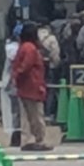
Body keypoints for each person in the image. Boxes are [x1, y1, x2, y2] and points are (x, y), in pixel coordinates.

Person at [11, 23, 50, 152]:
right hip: (33, 85)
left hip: (24, 86)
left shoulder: (23, 47)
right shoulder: (31, 48)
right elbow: (26, 66)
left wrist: (16, 77)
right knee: (37, 115)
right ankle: (39, 139)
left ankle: (27, 139)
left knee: (26, 115)